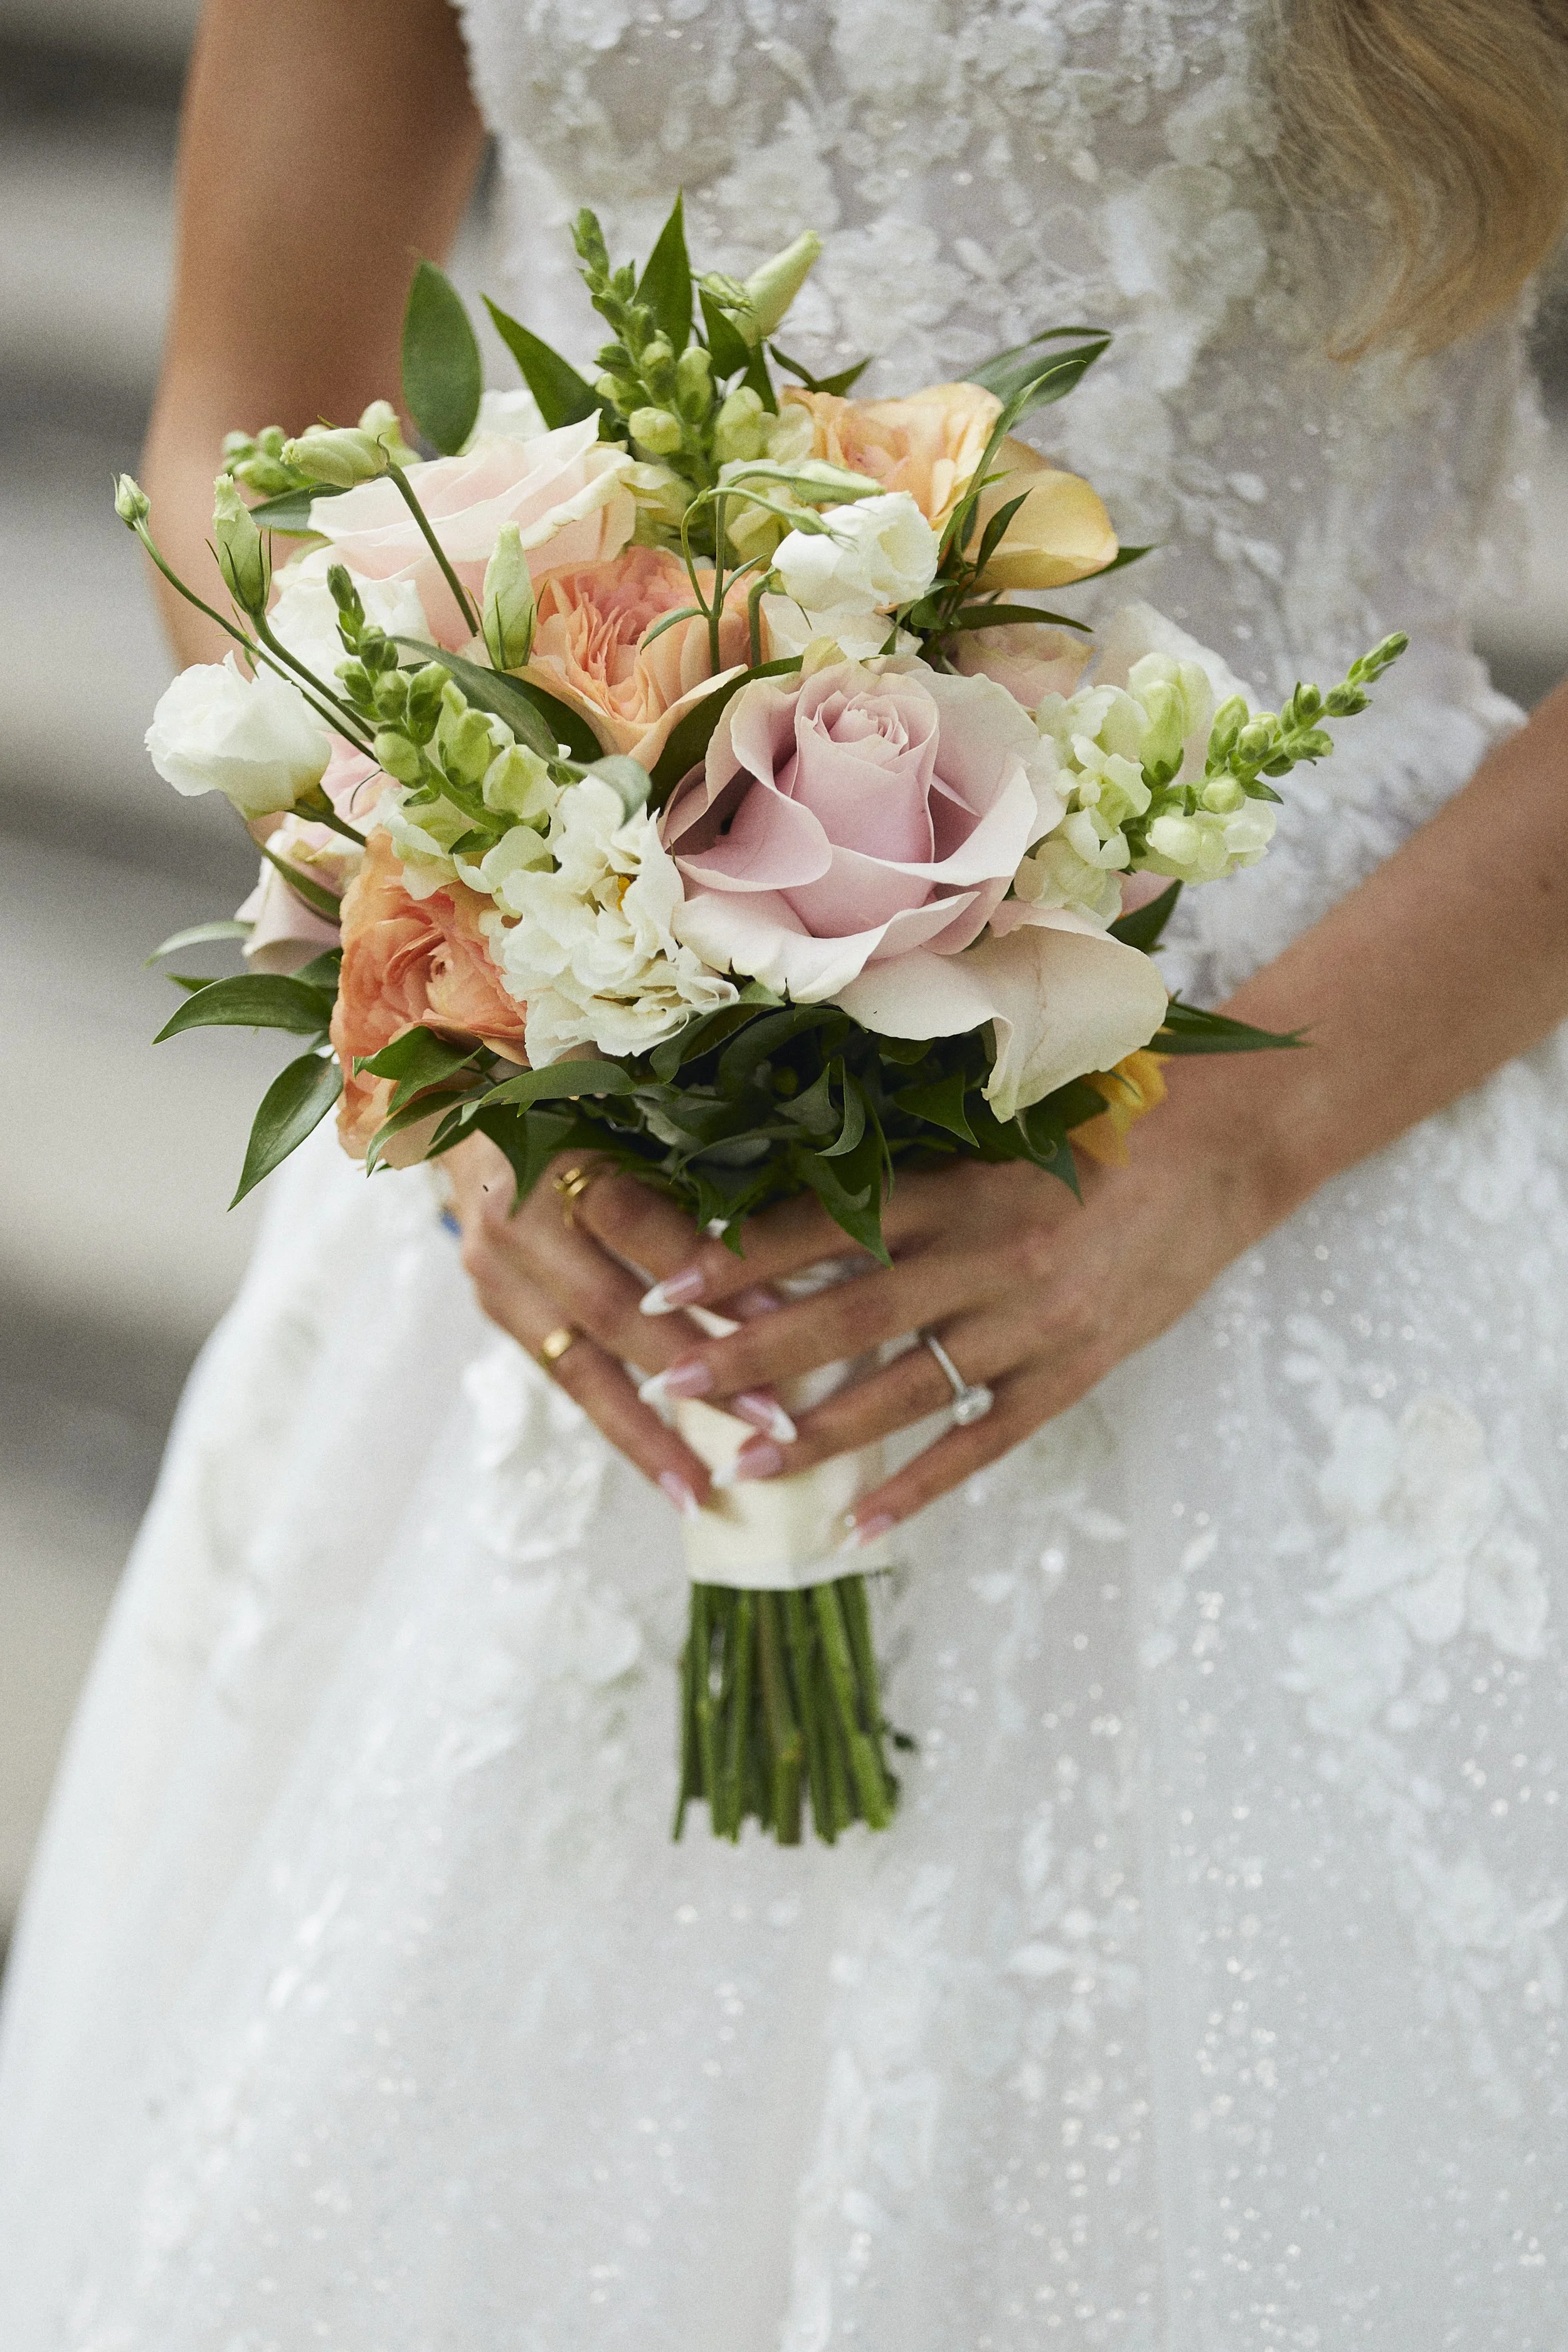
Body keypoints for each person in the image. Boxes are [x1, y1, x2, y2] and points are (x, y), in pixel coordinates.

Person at [3, 0, 1567, 2339]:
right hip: (580, 1099)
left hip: (1309, 1077)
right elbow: (253, 406)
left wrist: (1235, 1139)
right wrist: (464, 991)